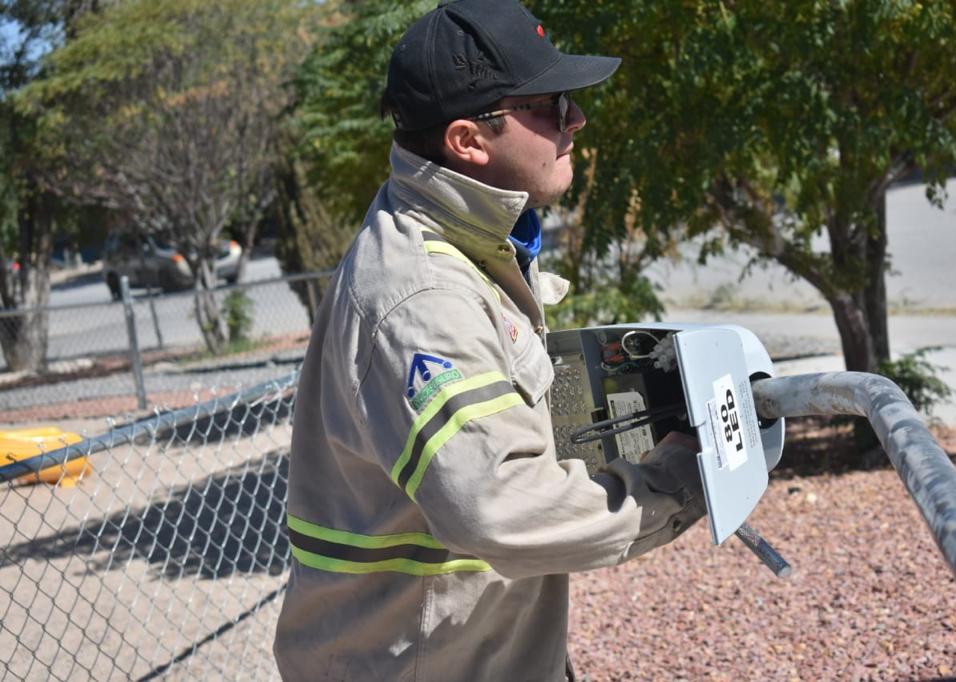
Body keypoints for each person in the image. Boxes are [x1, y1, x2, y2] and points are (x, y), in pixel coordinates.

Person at [274, 1, 703, 680]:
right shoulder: (422, 296)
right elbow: (500, 506)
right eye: (553, 105)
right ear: (469, 140)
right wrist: (677, 482)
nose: (577, 120)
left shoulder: (464, 241)